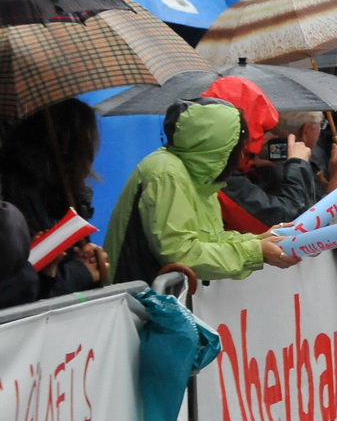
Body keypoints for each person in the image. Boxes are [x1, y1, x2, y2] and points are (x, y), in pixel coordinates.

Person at [105, 98, 299, 283]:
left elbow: (211, 239)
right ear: (221, 147)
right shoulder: (166, 172)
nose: (241, 155)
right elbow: (179, 252)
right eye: (238, 146)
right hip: (133, 299)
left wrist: (260, 239)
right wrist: (256, 251)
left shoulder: (198, 176)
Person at [0, 99, 107, 300]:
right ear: (68, 143)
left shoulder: (63, 191)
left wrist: (84, 257)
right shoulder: (19, 191)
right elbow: (26, 284)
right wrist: (81, 272)